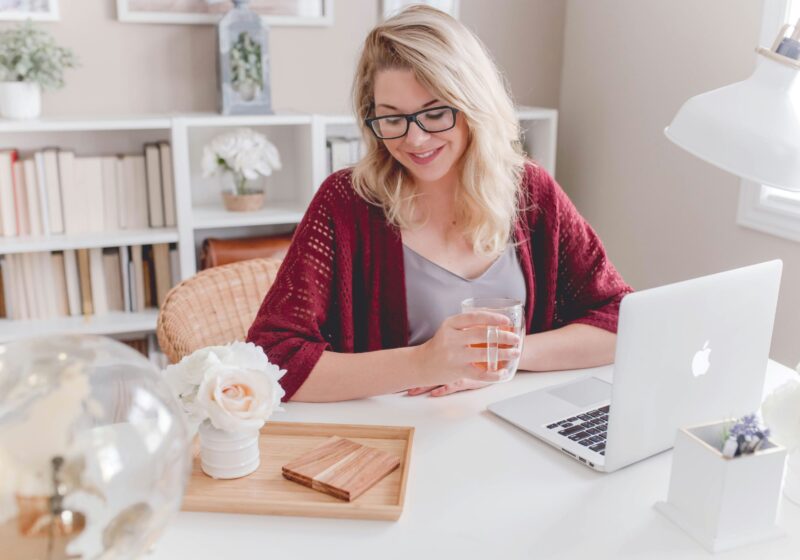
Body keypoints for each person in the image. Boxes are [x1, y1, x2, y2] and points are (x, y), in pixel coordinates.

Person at [247, 5, 632, 402]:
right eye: (392, 118)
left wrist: (504, 357)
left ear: (473, 106)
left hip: (509, 430)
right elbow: (271, 359)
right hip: (394, 441)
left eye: (435, 113)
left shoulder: (530, 191)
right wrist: (424, 362)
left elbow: (621, 319)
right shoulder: (345, 203)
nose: (414, 140)